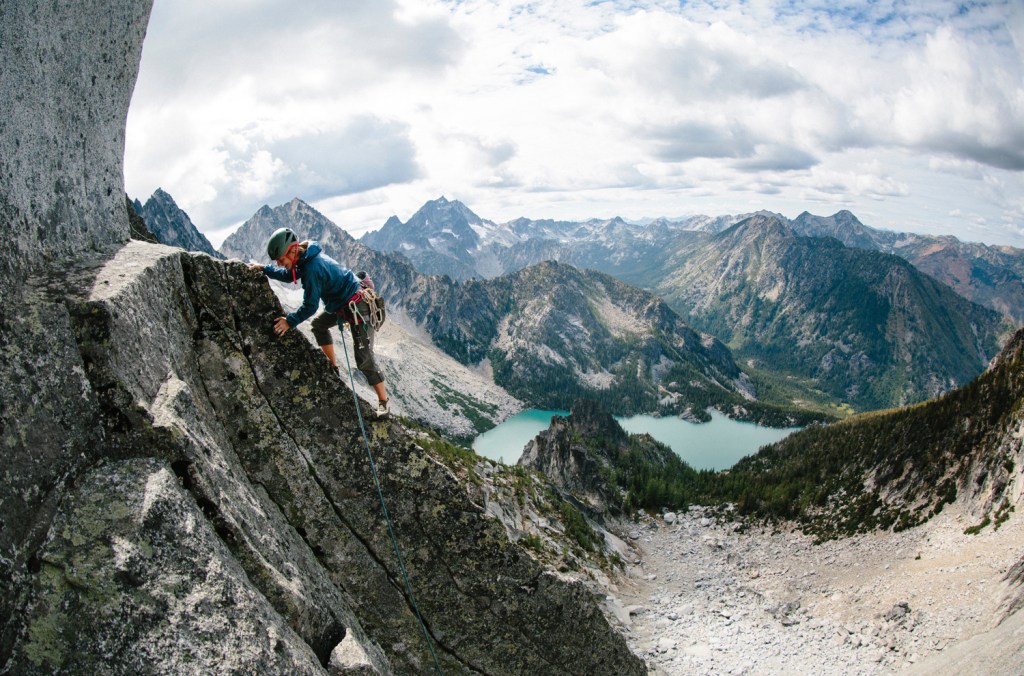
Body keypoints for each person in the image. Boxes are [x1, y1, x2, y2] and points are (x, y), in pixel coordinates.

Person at [250, 227, 389, 418]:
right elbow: (288, 276)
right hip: (343, 304)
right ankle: (333, 368)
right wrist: (265, 269)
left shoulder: (311, 268)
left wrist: (289, 322)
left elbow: (310, 306)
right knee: (319, 326)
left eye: (281, 260)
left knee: (363, 358)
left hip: (359, 307)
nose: (280, 264)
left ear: (292, 250)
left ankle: (383, 403)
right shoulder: (303, 258)